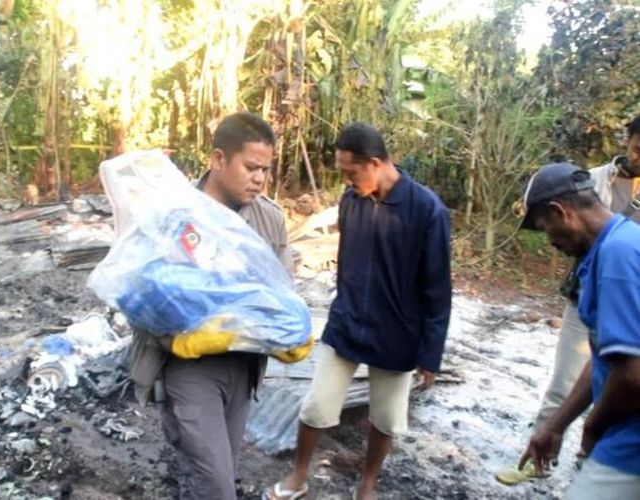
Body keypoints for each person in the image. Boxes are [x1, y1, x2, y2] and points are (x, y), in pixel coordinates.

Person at [264, 122, 452, 500]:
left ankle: (366, 487)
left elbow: (437, 289)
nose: (347, 181)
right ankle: (298, 478)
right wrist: (340, 310)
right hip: (348, 324)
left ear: (377, 163)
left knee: (384, 419)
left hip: (397, 334)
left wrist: (431, 353)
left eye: (351, 172)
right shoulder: (352, 203)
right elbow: (347, 263)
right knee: (316, 406)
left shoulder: (427, 210)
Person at [129, 111, 294, 500]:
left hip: (245, 366)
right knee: (218, 486)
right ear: (218, 159)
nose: (259, 178)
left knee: (214, 476)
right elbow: (139, 294)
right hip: (190, 368)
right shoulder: (172, 214)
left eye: (265, 170)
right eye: (251, 167)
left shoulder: (269, 220)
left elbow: (283, 292)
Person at [496, 115, 640, 484]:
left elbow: (632, 375)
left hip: (627, 446)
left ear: (562, 213)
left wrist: (592, 428)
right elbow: (607, 355)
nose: (550, 242)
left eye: (546, 229)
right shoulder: (611, 247)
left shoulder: (618, 257)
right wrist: (556, 427)